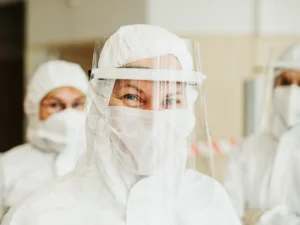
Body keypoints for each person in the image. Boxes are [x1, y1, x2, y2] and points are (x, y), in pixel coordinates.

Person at [1, 25, 241, 225]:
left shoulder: (210, 202)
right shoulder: (39, 214)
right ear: (101, 103)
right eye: (132, 97)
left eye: (170, 100)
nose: (154, 116)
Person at [0, 60, 88, 220]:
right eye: (55, 105)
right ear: (34, 108)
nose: (68, 114)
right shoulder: (6, 167)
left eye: (77, 104)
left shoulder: (103, 160)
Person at [223, 44, 300, 224]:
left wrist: (258, 218)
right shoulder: (246, 150)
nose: (292, 92)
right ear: (273, 86)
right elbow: (228, 214)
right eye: (285, 82)